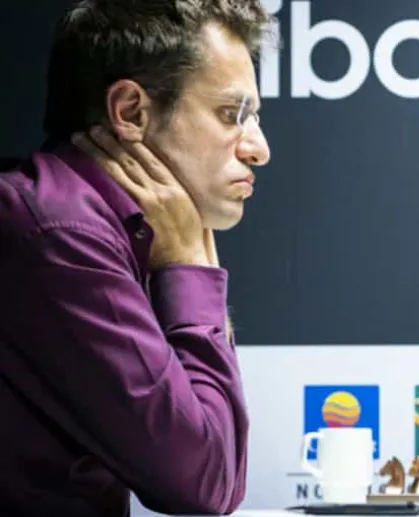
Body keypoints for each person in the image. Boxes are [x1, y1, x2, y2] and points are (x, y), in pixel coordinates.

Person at [0, 0, 272, 515]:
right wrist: (191, 266)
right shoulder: (59, 234)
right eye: (231, 115)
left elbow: (218, 479)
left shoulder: (90, 224)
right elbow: (205, 482)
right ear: (130, 112)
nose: (259, 149)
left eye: (254, 117)